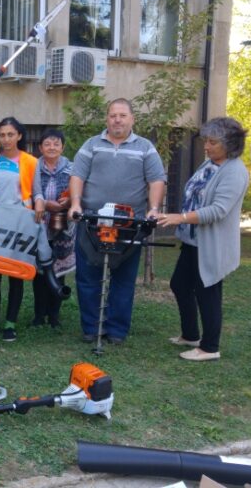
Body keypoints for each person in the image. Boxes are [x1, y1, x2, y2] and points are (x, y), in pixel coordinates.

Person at [68, 98, 166, 345]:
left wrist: (153, 209)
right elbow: (77, 175)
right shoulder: (91, 145)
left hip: (130, 224)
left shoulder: (145, 148)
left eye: (123, 115)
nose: (117, 120)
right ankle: (91, 328)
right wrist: (76, 204)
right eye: (113, 115)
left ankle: (116, 331)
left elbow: (156, 179)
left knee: (123, 279)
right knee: (87, 277)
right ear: (107, 119)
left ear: (132, 119)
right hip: (92, 221)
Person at [157, 117, 250, 362]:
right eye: (206, 141)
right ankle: (190, 335)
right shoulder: (210, 164)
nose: (206, 146)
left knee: (207, 292)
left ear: (230, 144)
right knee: (179, 284)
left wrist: (181, 217)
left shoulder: (235, 171)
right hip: (193, 241)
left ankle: (210, 347)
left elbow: (219, 210)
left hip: (212, 244)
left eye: (212, 142)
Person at [0, 117, 38, 342]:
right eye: (2, 135)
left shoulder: (31, 162)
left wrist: (39, 206)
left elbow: (38, 191)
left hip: (20, 224)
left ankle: (10, 324)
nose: (6, 139)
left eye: (10, 134)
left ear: (19, 136)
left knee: (17, 273)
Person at [32, 129, 75, 329]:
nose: (52, 147)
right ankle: (39, 315)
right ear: (40, 147)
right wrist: (44, 203)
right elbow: (27, 191)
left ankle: (54, 315)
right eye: (47, 144)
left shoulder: (72, 169)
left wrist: (69, 200)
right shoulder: (33, 167)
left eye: (56, 144)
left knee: (59, 271)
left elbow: (81, 191)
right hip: (38, 226)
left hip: (62, 228)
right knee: (39, 273)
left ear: (62, 147)